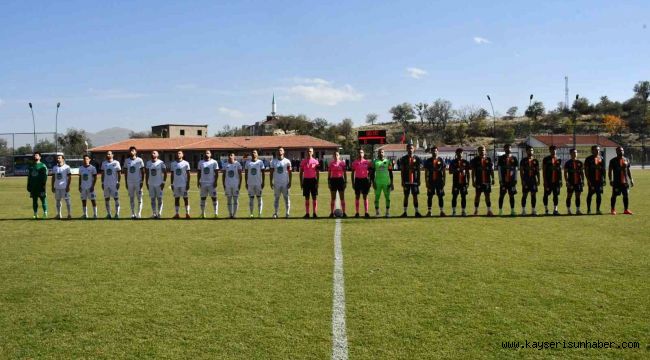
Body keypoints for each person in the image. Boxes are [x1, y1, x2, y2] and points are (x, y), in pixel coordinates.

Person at [398, 142, 423, 217]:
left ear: (414, 149)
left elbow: (419, 170)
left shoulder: (417, 159)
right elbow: (402, 170)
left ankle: (417, 212)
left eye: (411, 148)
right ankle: (405, 212)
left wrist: (419, 180)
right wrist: (402, 180)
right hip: (406, 180)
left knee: (415, 196)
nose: (410, 150)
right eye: (409, 148)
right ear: (406, 149)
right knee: (406, 196)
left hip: (414, 181)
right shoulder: (403, 159)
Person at [608, 146, 634, 215]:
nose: (621, 152)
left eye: (622, 150)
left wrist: (631, 179)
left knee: (626, 195)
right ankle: (613, 209)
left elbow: (628, 170)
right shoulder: (613, 161)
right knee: (614, 195)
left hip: (625, 182)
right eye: (619, 151)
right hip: (616, 182)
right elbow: (610, 171)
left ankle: (626, 210)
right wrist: (610, 180)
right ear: (616, 152)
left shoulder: (626, 159)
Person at [470, 145, 494, 216]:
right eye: (480, 150)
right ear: (478, 151)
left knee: (487, 196)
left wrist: (493, 178)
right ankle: (476, 211)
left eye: (483, 150)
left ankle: (489, 211)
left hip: (487, 181)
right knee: (477, 196)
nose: (482, 151)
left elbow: (491, 170)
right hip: (478, 181)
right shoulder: (475, 160)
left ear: (485, 151)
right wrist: (473, 181)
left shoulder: (488, 159)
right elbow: (473, 171)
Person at [423, 146, 446, 217]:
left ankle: (442, 211)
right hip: (431, 182)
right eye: (433, 151)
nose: (434, 152)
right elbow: (426, 172)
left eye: (435, 151)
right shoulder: (428, 161)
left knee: (440, 196)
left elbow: (444, 172)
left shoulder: (441, 160)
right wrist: (426, 182)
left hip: (439, 182)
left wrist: (444, 181)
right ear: (431, 152)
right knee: (430, 196)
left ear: (438, 152)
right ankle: (429, 212)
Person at [370, 148, 393, 217]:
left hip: (386, 182)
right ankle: (377, 213)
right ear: (378, 153)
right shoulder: (375, 162)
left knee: (388, 198)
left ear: (384, 153)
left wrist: (391, 183)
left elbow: (391, 173)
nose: (381, 153)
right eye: (380, 152)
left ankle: (387, 213)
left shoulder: (388, 161)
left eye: (382, 152)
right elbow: (372, 173)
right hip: (377, 182)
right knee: (377, 198)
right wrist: (373, 182)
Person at [270, 147, 292, 218]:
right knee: (276, 198)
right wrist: (271, 182)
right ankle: (276, 213)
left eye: (281, 150)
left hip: (285, 183)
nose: (280, 151)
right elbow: (271, 173)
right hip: (277, 183)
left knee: (286, 198)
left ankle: (287, 213)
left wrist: (290, 182)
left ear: (283, 152)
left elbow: (290, 173)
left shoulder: (287, 161)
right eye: (278, 150)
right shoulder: (273, 162)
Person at [124, 146, 145, 219]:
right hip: (130, 182)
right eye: (130, 151)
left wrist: (142, 181)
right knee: (131, 198)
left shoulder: (140, 160)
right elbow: (126, 172)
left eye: (133, 150)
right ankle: (133, 213)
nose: (131, 152)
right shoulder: (126, 161)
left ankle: (139, 213)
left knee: (139, 198)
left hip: (138, 182)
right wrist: (126, 182)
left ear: (136, 152)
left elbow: (143, 172)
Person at [497, 144, 518, 216]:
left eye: (509, 148)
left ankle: (512, 211)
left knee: (511, 195)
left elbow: (516, 170)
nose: (508, 149)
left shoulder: (514, 158)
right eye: (506, 148)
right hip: (503, 181)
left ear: (511, 149)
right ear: (504, 149)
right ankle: (500, 211)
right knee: (502, 195)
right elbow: (499, 169)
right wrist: (500, 180)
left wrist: (515, 179)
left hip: (511, 181)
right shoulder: (501, 158)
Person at [584, 145, 606, 214]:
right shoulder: (588, 159)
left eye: (598, 150)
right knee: (590, 194)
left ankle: (597, 210)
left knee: (599, 194)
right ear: (592, 151)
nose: (597, 151)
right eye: (596, 150)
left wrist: (604, 178)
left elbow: (603, 169)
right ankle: (589, 210)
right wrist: (588, 180)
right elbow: (586, 170)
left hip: (599, 180)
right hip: (592, 180)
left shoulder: (601, 158)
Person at [197, 150, 219, 218]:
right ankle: (203, 213)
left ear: (210, 154)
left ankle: (215, 213)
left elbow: (217, 173)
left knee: (214, 198)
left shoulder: (214, 162)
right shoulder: (200, 162)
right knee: (203, 198)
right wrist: (198, 181)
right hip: (203, 183)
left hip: (211, 183)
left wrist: (215, 181)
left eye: (208, 153)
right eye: (205, 153)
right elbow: (199, 173)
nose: (206, 154)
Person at [448, 148, 470, 216]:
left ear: (463, 154)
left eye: (461, 152)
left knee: (463, 197)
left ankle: (463, 211)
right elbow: (450, 172)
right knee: (454, 197)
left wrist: (468, 182)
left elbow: (468, 173)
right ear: (456, 154)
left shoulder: (465, 162)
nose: (460, 154)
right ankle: (454, 212)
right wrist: (457, 170)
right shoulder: (453, 162)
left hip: (463, 183)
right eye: (458, 153)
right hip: (456, 182)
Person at [145, 150, 167, 219]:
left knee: (159, 199)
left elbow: (165, 173)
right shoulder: (148, 163)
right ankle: (154, 213)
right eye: (152, 153)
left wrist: (163, 182)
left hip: (159, 184)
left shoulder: (161, 163)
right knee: (152, 199)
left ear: (157, 155)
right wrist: (146, 183)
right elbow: (147, 174)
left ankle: (159, 213)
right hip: (151, 184)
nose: (153, 154)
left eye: (154, 153)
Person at [519, 146, 540, 216]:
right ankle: (523, 210)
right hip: (526, 180)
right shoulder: (523, 160)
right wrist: (522, 181)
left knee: (533, 195)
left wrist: (538, 179)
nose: (530, 152)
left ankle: (533, 210)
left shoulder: (535, 161)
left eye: (532, 150)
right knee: (524, 195)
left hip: (533, 180)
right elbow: (521, 171)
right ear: (526, 151)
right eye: (529, 150)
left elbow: (537, 171)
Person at [27, 152, 48, 219]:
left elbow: (45, 176)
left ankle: (45, 213)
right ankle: (35, 214)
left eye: (36, 155)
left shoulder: (43, 165)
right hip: (33, 187)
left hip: (41, 186)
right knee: (34, 200)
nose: (35, 156)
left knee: (43, 200)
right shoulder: (31, 166)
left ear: (40, 157)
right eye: (34, 155)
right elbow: (29, 176)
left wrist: (43, 185)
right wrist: (28, 185)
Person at [300, 147, 320, 218]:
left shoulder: (316, 161)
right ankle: (307, 213)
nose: (309, 152)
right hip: (306, 180)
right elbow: (301, 173)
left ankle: (315, 213)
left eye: (310, 151)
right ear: (306, 152)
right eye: (308, 151)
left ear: (313, 152)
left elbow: (317, 173)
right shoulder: (303, 162)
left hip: (313, 180)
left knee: (314, 197)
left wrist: (317, 182)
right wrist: (301, 182)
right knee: (307, 197)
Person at [542, 145, 562, 216]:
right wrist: (545, 181)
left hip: (556, 181)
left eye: (555, 150)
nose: (554, 151)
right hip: (548, 180)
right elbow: (544, 171)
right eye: (552, 150)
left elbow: (559, 170)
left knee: (556, 195)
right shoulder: (546, 159)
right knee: (546, 195)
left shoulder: (559, 159)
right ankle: (546, 210)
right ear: (549, 151)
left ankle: (555, 209)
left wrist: (560, 180)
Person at [101, 150, 121, 219]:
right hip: (106, 184)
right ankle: (109, 214)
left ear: (113, 155)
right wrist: (102, 183)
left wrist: (118, 182)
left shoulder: (116, 163)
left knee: (116, 198)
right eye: (107, 154)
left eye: (109, 154)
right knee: (107, 199)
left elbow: (119, 173)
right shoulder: (104, 163)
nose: (108, 155)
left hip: (114, 184)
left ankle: (117, 214)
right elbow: (103, 174)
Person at [245, 149, 265, 218]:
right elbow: (246, 174)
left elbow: (263, 173)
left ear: (257, 154)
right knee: (251, 198)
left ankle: (259, 213)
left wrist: (263, 182)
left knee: (259, 198)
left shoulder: (260, 162)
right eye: (252, 152)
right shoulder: (248, 163)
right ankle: (251, 213)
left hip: (258, 183)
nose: (253, 153)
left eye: (255, 152)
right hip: (250, 184)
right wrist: (246, 183)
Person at [170, 150, 191, 219]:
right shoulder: (173, 164)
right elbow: (172, 174)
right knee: (176, 199)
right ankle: (177, 214)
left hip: (183, 184)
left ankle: (187, 213)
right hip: (176, 184)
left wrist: (188, 183)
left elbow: (188, 174)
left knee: (186, 199)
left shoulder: (186, 163)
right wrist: (172, 184)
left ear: (182, 155)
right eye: (177, 153)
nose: (178, 154)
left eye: (180, 153)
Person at [564, 148, 585, 215]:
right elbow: (565, 173)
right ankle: (568, 210)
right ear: (570, 154)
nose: (574, 154)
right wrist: (567, 181)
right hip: (571, 182)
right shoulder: (567, 163)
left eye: (575, 152)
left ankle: (578, 210)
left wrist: (583, 181)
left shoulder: (580, 162)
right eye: (573, 153)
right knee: (569, 196)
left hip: (578, 182)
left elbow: (582, 173)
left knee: (578, 196)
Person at [351, 148, 371, 218]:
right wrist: (353, 183)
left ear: (363, 154)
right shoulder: (354, 163)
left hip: (365, 180)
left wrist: (369, 181)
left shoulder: (367, 163)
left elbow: (370, 173)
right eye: (359, 152)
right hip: (357, 180)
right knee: (357, 196)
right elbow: (352, 173)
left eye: (361, 152)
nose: (360, 154)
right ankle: (357, 213)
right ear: (357, 154)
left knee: (365, 196)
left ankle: (366, 212)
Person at [223, 151, 243, 218]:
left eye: (231, 155)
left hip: (235, 185)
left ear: (234, 156)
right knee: (228, 200)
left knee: (235, 200)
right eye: (229, 155)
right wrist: (224, 185)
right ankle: (230, 214)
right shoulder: (225, 164)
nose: (230, 156)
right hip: (228, 185)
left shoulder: (238, 164)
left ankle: (234, 214)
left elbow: (240, 175)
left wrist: (239, 184)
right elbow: (223, 175)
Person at [51, 154, 72, 219]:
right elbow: (53, 177)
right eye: (57, 158)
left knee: (67, 201)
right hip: (57, 187)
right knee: (58, 201)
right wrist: (52, 186)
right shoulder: (55, 167)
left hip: (64, 187)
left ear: (63, 159)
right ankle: (59, 214)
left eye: (59, 158)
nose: (58, 159)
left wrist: (68, 186)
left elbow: (69, 177)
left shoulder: (67, 167)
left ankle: (69, 214)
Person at [328, 151, 348, 218]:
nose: (336, 156)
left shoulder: (342, 163)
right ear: (333, 156)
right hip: (333, 180)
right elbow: (329, 173)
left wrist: (345, 182)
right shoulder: (331, 164)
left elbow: (345, 173)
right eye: (335, 155)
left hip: (340, 180)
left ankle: (344, 213)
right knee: (333, 198)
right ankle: (331, 213)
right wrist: (329, 182)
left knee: (342, 198)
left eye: (337, 155)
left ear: (339, 156)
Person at [78, 154, 98, 219]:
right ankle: (85, 214)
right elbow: (80, 178)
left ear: (89, 160)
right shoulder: (81, 168)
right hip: (83, 187)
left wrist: (93, 186)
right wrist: (79, 186)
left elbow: (95, 178)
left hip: (90, 187)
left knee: (93, 200)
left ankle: (95, 214)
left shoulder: (93, 168)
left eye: (87, 159)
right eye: (84, 159)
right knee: (83, 200)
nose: (85, 160)